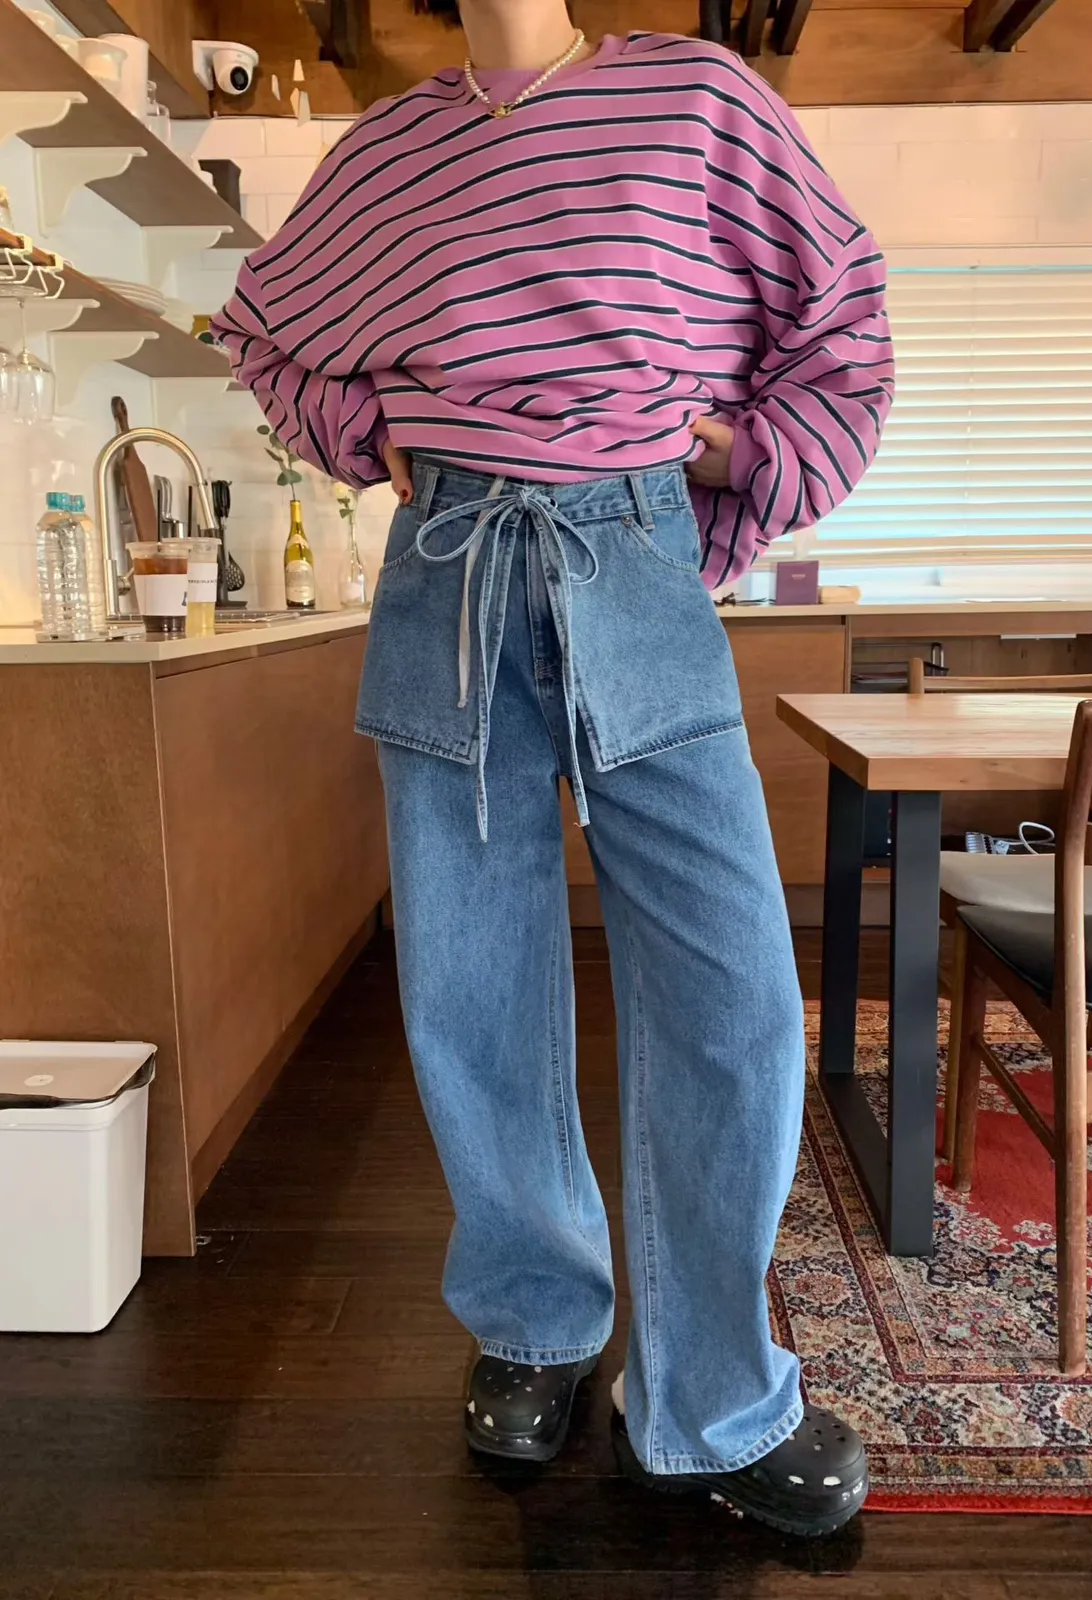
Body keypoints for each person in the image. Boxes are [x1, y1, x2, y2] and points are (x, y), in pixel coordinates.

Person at [212, 0, 892, 1539]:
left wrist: (731, 455)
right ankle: (534, 1323)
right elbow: (261, 331)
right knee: (473, 979)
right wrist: (364, 428)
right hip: (447, 562)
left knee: (730, 994)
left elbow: (840, 318)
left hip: (631, 549)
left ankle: (712, 1396)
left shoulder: (696, 100)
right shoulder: (385, 150)